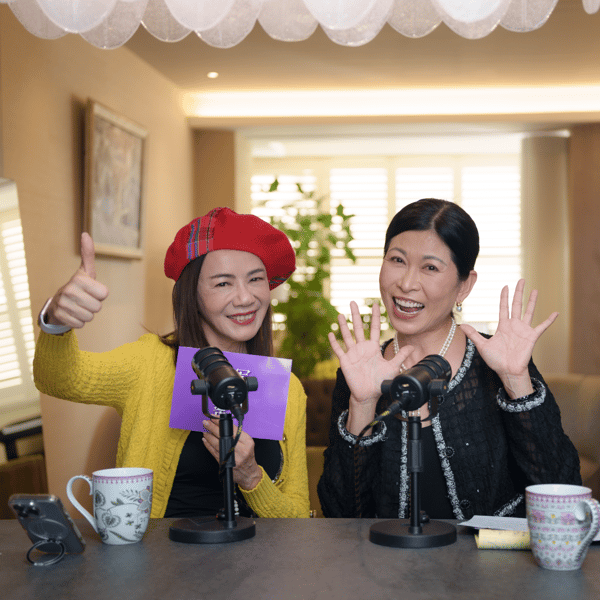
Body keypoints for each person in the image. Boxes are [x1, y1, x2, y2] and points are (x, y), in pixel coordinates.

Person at [34, 207, 310, 519]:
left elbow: (299, 519)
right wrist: (56, 322)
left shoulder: (288, 390)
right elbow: (59, 379)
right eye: (223, 283)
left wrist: (251, 477)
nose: (245, 298)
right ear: (192, 294)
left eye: (255, 279)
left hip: (261, 551)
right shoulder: (150, 363)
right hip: (161, 550)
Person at [317, 198, 581, 520]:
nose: (406, 284)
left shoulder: (497, 364)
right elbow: (341, 513)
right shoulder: (359, 372)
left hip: (491, 554)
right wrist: (363, 404)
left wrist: (516, 380)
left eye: (430, 267)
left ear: (464, 286)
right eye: (397, 260)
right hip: (387, 554)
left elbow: (563, 492)